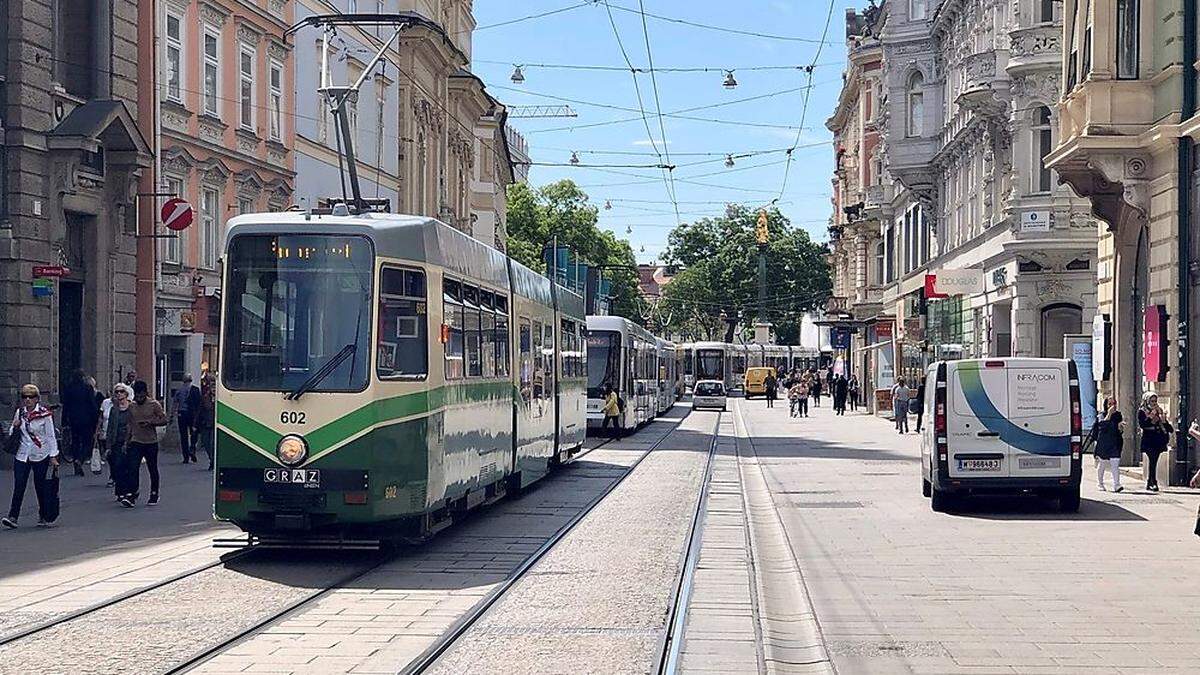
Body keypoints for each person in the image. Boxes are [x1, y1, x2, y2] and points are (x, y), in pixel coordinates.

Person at [3, 384, 61, 528]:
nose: (27, 400)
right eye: (24, 397)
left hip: (40, 453)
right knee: (19, 485)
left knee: (40, 486)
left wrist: (53, 456)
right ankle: (13, 516)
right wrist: (15, 426)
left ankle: (43, 514)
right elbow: (12, 433)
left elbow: (50, 436)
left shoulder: (44, 414)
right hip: (22, 454)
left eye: (31, 397)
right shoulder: (20, 412)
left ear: (37, 399)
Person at [118, 380, 168, 507]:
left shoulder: (154, 404)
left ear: (145, 393)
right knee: (133, 468)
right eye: (137, 395)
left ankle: (154, 493)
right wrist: (126, 441)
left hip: (150, 441)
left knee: (152, 468)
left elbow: (164, 419)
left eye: (141, 396)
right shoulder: (132, 406)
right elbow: (130, 424)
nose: (139, 398)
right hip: (136, 441)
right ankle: (131, 494)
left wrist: (151, 423)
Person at [61, 370, 99, 476]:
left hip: (73, 419)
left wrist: (64, 420)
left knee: (75, 441)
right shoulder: (87, 388)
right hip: (86, 419)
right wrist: (96, 419)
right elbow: (92, 404)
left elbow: (66, 406)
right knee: (88, 441)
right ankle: (80, 459)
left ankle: (75, 459)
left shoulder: (69, 389)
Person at [1137, 392, 1172, 492]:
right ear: (1147, 401)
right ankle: (1153, 482)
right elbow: (1143, 424)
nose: (1154, 403)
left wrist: (1163, 420)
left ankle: (1150, 482)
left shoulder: (1159, 411)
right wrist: (1151, 417)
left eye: (1155, 401)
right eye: (1152, 401)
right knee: (1152, 459)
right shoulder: (1142, 411)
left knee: (1154, 460)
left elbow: (1169, 428)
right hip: (1148, 439)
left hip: (1158, 439)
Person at [105, 384, 134, 500]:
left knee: (129, 466)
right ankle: (120, 491)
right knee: (117, 466)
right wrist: (108, 445)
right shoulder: (114, 409)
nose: (119, 394)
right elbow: (110, 427)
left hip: (130, 441)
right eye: (116, 392)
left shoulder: (132, 407)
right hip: (117, 441)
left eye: (121, 391)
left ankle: (128, 490)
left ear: (126, 394)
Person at [1092, 396, 1125, 492]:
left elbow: (1119, 429)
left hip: (1115, 442)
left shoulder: (1118, 415)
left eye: (1114, 404)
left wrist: (1120, 427)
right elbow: (1102, 426)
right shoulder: (1101, 416)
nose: (1112, 406)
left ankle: (1117, 485)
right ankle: (1100, 483)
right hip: (1104, 443)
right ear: (1106, 405)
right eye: (1109, 404)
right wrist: (1109, 414)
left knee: (1115, 463)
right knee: (1102, 463)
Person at [173, 375, 201, 464]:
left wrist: (171, 415)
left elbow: (175, 403)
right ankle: (192, 448)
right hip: (192, 414)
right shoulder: (195, 390)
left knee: (183, 436)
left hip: (182, 414)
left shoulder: (179, 390)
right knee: (194, 433)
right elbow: (199, 403)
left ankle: (186, 456)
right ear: (191, 380)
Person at [196, 376, 216, 471]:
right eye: (212, 386)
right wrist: (196, 423)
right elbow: (199, 410)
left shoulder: (220, 399)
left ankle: (213, 461)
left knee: (212, 444)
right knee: (206, 443)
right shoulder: (205, 397)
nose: (213, 389)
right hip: (205, 423)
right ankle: (211, 459)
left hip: (215, 425)